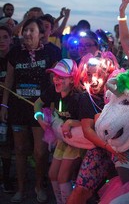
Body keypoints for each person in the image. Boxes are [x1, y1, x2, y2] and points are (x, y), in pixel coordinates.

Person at [0, 18, 61, 203]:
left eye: (31, 30)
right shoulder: (15, 52)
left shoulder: (52, 52)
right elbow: (9, 80)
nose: (27, 33)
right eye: (25, 30)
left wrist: (52, 108)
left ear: (41, 34)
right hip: (18, 108)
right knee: (19, 149)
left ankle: (38, 186)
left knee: (40, 152)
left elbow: (55, 82)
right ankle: (20, 189)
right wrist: (4, 105)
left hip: (40, 109)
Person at [66, 53, 120, 204]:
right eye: (89, 75)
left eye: (97, 75)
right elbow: (88, 131)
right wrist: (110, 149)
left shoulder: (117, 95)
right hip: (101, 150)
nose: (92, 80)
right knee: (80, 191)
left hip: (123, 149)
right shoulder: (86, 97)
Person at [34, 59, 85, 204]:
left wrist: (70, 122)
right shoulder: (53, 90)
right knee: (52, 174)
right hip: (62, 139)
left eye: (61, 77)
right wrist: (39, 117)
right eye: (55, 75)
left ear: (71, 79)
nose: (56, 79)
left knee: (63, 177)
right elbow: (38, 104)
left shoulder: (78, 98)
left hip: (76, 142)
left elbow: (87, 122)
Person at [0, 25, 14, 193]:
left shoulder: (15, 58)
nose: (1, 41)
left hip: (10, 106)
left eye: (5, 37)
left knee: (7, 143)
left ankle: (7, 177)